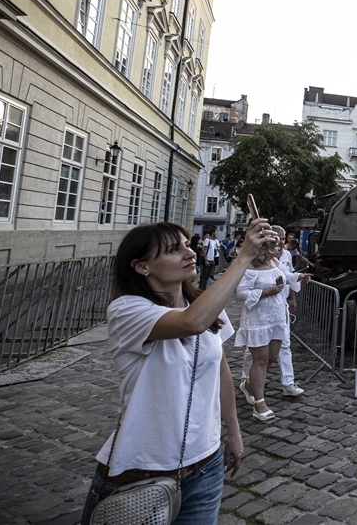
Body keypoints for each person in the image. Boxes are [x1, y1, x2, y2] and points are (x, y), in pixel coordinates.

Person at [80, 218, 273, 524]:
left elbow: (220, 370)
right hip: (144, 469)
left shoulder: (207, 305)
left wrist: (233, 433)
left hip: (206, 465)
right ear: (142, 267)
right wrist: (245, 255)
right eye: (174, 249)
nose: (189, 252)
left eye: (186, 244)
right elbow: (190, 322)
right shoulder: (127, 310)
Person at [235, 228, 312, 421]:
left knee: (272, 356)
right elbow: (241, 293)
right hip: (259, 319)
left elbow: (285, 276)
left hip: (277, 317)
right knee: (260, 359)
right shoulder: (250, 267)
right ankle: (259, 403)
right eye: (275, 245)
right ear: (264, 248)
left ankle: (251, 384)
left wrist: (299, 277)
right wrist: (266, 292)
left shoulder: (274, 262)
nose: (279, 248)